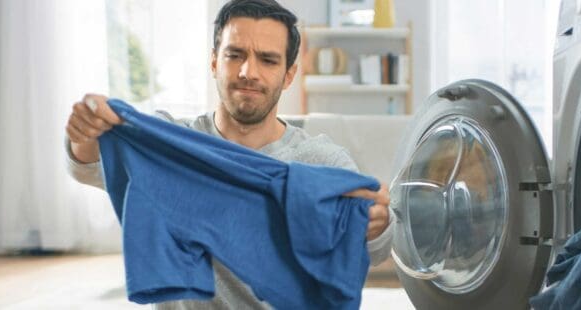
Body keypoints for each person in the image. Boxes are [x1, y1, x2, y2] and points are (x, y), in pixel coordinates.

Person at [63, 0, 393, 308]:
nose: (248, 72)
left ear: (289, 75)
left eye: (268, 60)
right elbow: (87, 165)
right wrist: (87, 129)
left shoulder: (320, 162)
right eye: (235, 55)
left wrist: (376, 225)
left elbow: (375, 249)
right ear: (214, 62)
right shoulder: (172, 146)